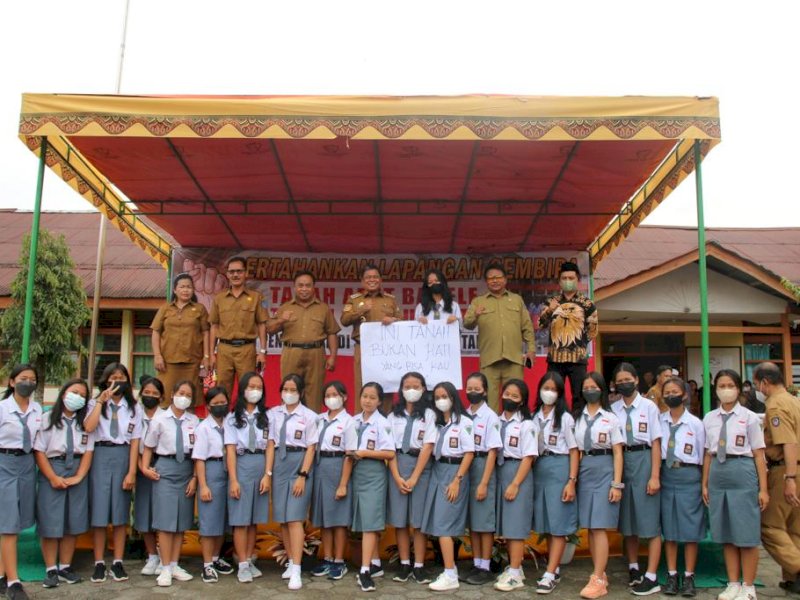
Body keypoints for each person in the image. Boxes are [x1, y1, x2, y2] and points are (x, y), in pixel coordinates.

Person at [702, 368, 768, 600]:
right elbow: (707, 454)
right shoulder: (709, 418)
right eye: (722, 386)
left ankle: (748, 586)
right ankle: (732, 583)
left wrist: (763, 489)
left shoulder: (749, 417)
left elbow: (759, 455)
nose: (726, 390)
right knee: (726, 532)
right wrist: (705, 484)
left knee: (746, 533)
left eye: (730, 385)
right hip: (718, 474)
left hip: (742, 471)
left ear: (738, 388)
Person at [84, 362, 141, 584]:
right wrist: (101, 401)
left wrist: (132, 471)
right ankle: (99, 562)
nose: (117, 381)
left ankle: (118, 561)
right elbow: (89, 427)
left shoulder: (134, 408)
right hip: (100, 455)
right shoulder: (94, 403)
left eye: (122, 377)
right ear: (106, 380)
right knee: (99, 515)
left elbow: (135, 441)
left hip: (123, 456)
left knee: (120, 514)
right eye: (112, 377)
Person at [34, 378, 94, 589]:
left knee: (72, 521)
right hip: (54, 467)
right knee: (51, 520)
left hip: (77, 469)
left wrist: (79, 476)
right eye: (74, 392)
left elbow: (88, 451)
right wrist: (52, 477)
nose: (77, 397)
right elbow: (39, 451)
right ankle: (51, 569)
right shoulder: (47, 418)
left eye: (82, 395)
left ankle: (65, 566)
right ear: (64, 393)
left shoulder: (85, 422)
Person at [610, 362, 663, 596]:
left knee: (649, 521)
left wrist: (654, 476)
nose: (624, 384)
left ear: (636, 379)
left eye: (627, 379)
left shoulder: (650, 407)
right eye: (619, 381)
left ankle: (651, 575)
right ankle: (633, 567)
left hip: (644, 461)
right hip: (623, 462)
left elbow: (656, 443)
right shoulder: (613, 410)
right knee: (628, 520)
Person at [140, 380, 199, 587]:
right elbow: (148, 447)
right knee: (165, 523)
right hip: (165, 470)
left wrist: (195, 478)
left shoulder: (194, 421)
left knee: (181, 522)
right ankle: (164, 567)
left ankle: (174, 564)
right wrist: (145, 468)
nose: (184, 397)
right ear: (173, 394)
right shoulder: (160, 419)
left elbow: (198, 454)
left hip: (186, 471)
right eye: (181, 392)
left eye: (188, 395)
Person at [266, 374, 319, 591]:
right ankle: (289, 561)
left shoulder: (309, 416)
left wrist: (303, 475)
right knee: (283, 519)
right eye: (285, 389)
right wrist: (268, 473)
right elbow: (270, 444)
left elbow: (311, 448)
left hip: (299, 463)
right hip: (279, 463)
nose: (288, 393)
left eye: (293, 390)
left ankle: (297, 567)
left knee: (295, 517)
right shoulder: (272, 414)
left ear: (301, 392)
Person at [573, 372, 624, 599]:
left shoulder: (610, 418)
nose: (589, 390)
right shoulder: (578, 417)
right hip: (585, 469)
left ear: (602, 389)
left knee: (600, 525)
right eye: (586, 387)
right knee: (591, 527)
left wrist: (616, 484)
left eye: (594, 386)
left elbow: (617, 452)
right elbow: (575, 450)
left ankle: (598, 578)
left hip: (605, 469)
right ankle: (600, 574)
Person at [421, 382, 474, 591]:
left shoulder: (463, 422)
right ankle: (448, 570)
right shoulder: (436, 422)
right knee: (438, 522)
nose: (441, 400)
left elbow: (469, 453)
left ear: (453, 397)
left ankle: (451, 573)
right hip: (437, 470)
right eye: (437, 397)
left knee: (444, 525)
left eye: (445, 396)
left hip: (454, 472)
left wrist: (457, 480)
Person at [531, 372, 579, 594]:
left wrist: (571, 480)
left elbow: (573, 451)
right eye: (545, 388)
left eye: (553, 389)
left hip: (559, 468)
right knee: (548, 525)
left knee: (558, 524)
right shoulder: (533, 416)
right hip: (539, 469)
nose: (548, 393)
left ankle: (549, 574)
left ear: (559, 393)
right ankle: (554, 567)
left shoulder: (566, 418)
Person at [463, 264, 535, 410]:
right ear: (486, 282)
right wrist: (475, 314)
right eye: (490, 278)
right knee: (490, 403)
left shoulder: (516, 300)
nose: (494, 281)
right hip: (490, 360)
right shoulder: (478, 301)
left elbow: (527, 327)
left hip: (513, 358)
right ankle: (492, 431)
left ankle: (514, 431)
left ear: (505, 279)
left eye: (498, 277)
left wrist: (531, 350)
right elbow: (467, 324)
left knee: (514, 398)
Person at [386, 372, 435, 585]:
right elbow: (389, 448)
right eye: (407, 386)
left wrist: (415, 477)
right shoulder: (392, 416)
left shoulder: (430, 414)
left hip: (421, 468)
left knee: (418, 521)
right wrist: (397, 477)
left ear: (424, 389)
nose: (411, 389)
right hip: (397, 465)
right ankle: (405, 563)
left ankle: (419, 566)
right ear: (401, 389)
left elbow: (428, 446)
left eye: (416, 385)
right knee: (400, 520)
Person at [755, 362, 800, 594]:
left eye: (756, 384)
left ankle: (797, 568)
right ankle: (792, 580)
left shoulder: (775, 405)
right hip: (795, 469)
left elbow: (788, 441)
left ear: (764, 382)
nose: (757, 389)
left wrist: (789, 477)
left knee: (770, 528)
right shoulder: (794, 400)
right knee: (794, 527)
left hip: (785, 469)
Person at [658, 377, 706, 597]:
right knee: (669, 530)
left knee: (689, 529)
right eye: (666, 392)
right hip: (666, 475)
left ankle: (689, 576)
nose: (670, 395)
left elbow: (704, 456)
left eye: (675, 391)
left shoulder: (695, 423)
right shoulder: (659, 420)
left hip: (688, 476)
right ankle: (671, 574)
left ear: (684, 395)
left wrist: (703, 484)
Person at [268, 271, 340, 412]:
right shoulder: (285, 307)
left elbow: (331, 333)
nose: (304, 289)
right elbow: (270, 329)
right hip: (291, 352)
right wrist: (282, 319)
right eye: (300, 285)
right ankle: (287, 424)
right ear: (294, 287)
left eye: (308, 285)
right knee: (290, 390)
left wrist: (332, 356)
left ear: (314, 287)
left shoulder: (323, 308)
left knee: (315, 393)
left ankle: (312, 428)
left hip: (316, 353)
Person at [0, 364, 43, 600]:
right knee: (9, 524)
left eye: (32, 378)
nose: (28, 382)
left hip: (27, 465)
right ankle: (13, 582)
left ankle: (0, 574)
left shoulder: (37, 409)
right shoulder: (2, 408)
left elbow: (40, 441)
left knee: (20, 520)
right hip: (4, 463)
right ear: (12, 382)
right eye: (23, 378)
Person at [223, 371, 269, 584]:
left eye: (259, 387)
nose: (255, 391)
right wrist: (233, 479)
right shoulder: (232, 418)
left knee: (253, 520)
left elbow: (270, 447)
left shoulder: (268, 417)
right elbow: (230, 450)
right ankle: (241, 563)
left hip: (260, 465)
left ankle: (249, 559)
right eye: (251, 386)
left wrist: (267, 475)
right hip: (241, 465)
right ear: (242, 389)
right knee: (240, 520)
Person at [494, 379, 537, 592]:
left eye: (515, 396)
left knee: (516, 526)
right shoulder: (497, 421)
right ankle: (515, 568)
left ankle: (514, 574)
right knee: (507, 526)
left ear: (522, 401)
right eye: (507, 394)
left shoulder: (526, 425)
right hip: (500, 473)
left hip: (517, 473)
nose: (509, 398)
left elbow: (529, 457)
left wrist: (515, 483)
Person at [351, 382, 396, 592]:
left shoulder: (382, 423)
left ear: (379, 401)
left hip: (373, 474)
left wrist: (365, 453)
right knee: (363, 519)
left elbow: (390, 453)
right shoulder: (354, 421)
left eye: (372, 397)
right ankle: (376, 563)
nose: (367, 401)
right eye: (364, 396)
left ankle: (365, 570)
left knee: (370, 523)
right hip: (355, 473)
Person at [310, 381, 356, 581]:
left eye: (335, 394)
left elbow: (350, 455)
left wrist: (343, 484)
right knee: (324, 520)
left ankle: (339, 561)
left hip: (338, 468)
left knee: (338, 520)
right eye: (327, 395)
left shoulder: (349, 422)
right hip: (320, 468)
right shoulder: (318, 419)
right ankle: (327, 559)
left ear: (344, 397)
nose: (331, 398)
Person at [536, 261, 598, 406]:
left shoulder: (587, 304)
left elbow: (592, 331)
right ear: (559, 281)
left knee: (580, 397)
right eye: (564, 278)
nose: (567, 281)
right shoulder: (551, 301)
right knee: (552, 396)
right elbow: (540, 325)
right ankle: (555, 425)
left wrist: (578, 345)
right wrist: (550, 310)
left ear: (578, 280)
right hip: (555, 360)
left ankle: (579, 426)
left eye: (571, 278)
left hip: (578, 360)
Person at [192, 386, 235, 584]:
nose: (220, 406)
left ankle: (216, 558)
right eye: (215, 404)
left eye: (223, 403)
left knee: (223, 521)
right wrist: (204, 485)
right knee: (210, 521)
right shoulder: (203, 428)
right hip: (212, 471)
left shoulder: (232, 423)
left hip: (229, 473)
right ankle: (207, 564)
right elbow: (199, 459)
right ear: (208, 405)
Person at [209, 256, 269, 396]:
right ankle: (223, 418)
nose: (235, 275)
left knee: (248, 388)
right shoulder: (219, 298)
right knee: (222, 389)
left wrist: (263, 352)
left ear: (246, 273)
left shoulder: (256, 297)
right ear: (227, 274)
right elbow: (214, 326)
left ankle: (245, 418)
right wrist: (211, 354)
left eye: (239, 271)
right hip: (224, 349)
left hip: (247, 349)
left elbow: (262, 325)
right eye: (232, 272)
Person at [463, 372, 502, 586]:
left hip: (483, 465)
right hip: (467, 467)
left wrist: (484, 482)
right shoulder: (464, 415)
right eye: (469, 388)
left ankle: (486, 565)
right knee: (473, 521)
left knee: (484, 522)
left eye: (476, 389)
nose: (472, 392)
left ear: (485, 391)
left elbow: (493, 452)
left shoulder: (490, 417)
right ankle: (476, 562)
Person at [151, 273, 210, 408]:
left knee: (189, 401)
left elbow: (206, 332)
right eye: (182, 287)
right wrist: (157, 355)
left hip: (192, 363)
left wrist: (206, 356)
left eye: (189, 287)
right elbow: (156, 332)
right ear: (175, 290)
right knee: (165, 399)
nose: (185, 290)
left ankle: (189, 428)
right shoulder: (165, 308)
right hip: (167, 363)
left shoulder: (200, 309)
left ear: (193, 290)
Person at [340, 265, 401, 395]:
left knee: (385, 386)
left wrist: (393, 320)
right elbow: (344, 321)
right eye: (368, 277)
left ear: (380, 280)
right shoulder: (354, 299)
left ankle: (385, 414)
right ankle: (361, 415)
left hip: (386, 349)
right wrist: (361, 310)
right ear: (362, 281)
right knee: (362, 386)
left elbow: (402, 322)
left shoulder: (390, 300)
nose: (372, 280)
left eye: (375, 277)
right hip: (363, 348)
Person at [133, 376, 166, 577]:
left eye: (155, 393)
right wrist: (142, 468)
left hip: (161, 465)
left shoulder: (165, 416)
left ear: (162, 396)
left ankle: (164, 556)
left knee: (162, 513)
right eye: (147, 393)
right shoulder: (135, 416)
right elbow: (134, 447)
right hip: (141, 467)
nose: (150, 396)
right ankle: (151, 555)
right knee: (144, 511)